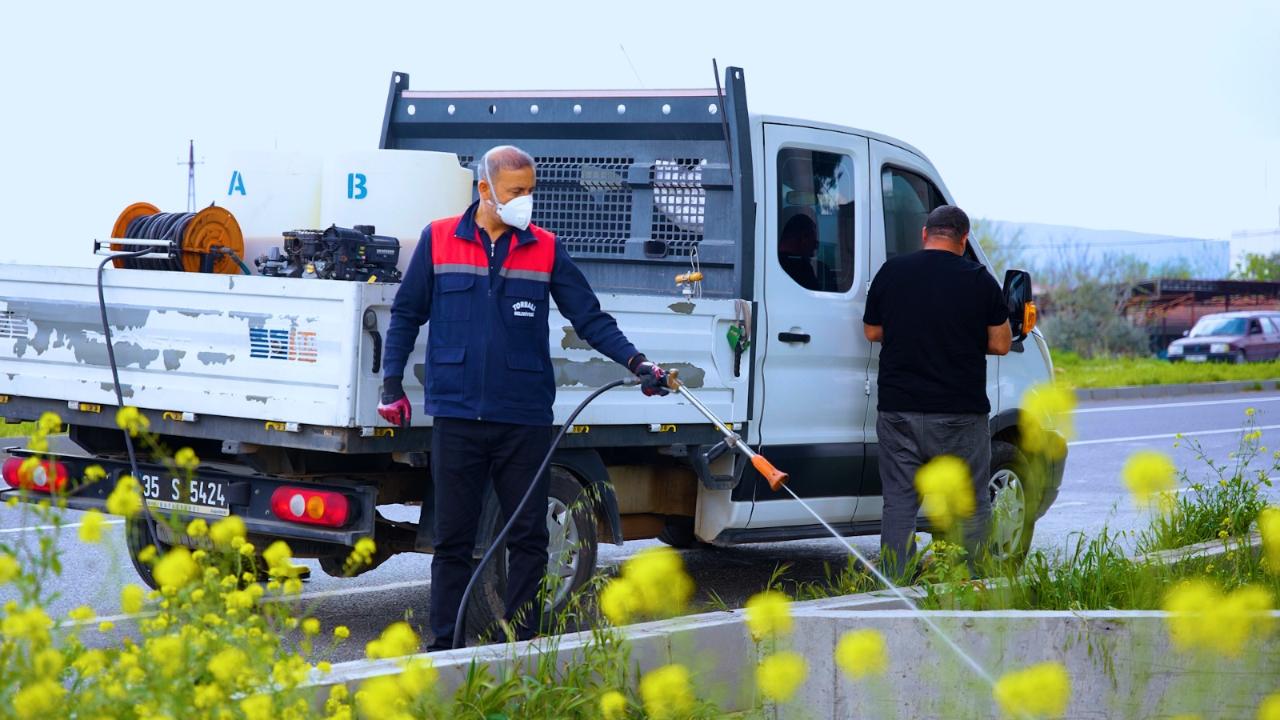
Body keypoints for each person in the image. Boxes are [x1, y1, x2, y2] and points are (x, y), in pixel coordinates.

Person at [377, 145, 668, 649]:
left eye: (530, 190)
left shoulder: (546, 247)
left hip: (524, 416)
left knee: (529, 536)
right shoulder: (440, 239)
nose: (526, 200)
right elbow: (406, 315)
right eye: (516, 191)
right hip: (457, 413)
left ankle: (524, 642)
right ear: (485, 189)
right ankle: (444, 646)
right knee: (453, 541)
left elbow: (590, 318)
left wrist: (638, 362)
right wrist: (390, 385)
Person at [862, 204, 1012, 581]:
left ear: (925, 235)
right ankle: (973, 580)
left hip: (899, 410)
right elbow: (1001, 344)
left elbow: (872, 331)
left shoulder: (892, 272)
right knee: (971, 503)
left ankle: (897, 582)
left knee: (899, 502)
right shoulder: (979, 280)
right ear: (963, 240)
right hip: (959, 412)